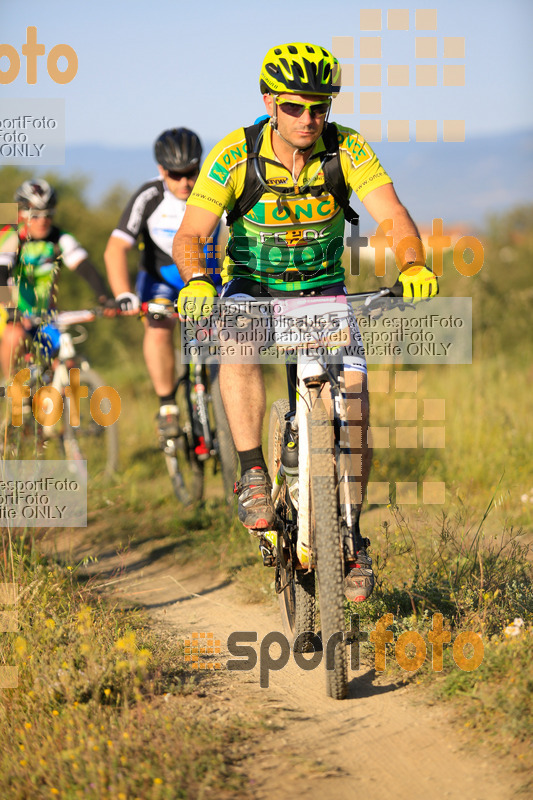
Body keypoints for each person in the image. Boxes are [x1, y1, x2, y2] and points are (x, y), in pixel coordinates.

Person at [172, 43, 437, 600]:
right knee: (237, 341)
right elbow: (191, 233)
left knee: (356, 398)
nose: (309, 119)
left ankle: (352, 537)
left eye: (320, 106)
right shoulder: (235, 153)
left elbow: (393, 214)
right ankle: (251, 472)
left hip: (322, 292)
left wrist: (412, 261)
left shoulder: (347, 148)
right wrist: (198, 277)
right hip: (254, 286)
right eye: (295, 106)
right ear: (270, 102)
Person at [104, 128, 220, 440]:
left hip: (206, 277)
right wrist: (123, 294)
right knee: (157, 330)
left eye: (192, 172)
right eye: (175, 174)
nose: (185, 182)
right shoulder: (149, 196)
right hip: (161, 281)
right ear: (161, 170)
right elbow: (116, 248)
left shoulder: (216, 189)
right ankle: (168, 405)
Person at [0, 179, 113, 378]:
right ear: (22, 214)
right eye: (36, 215)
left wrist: (105, 298)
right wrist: (11, 310)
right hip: (11, 310)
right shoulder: (11, 236)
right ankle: (15, 393)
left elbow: (86, 268)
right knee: (14, 335)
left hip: (45, 314)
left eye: (49, 214)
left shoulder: (61, 238)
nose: (43, 221)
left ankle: (62, 405)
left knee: (67, 360)